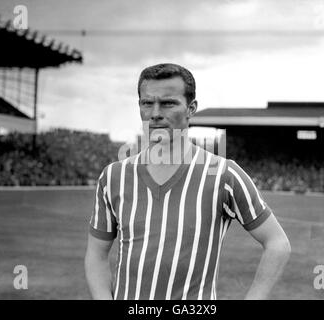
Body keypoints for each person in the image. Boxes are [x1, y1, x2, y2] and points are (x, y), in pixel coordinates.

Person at [84, 63, 291, 300]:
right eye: (147, 103)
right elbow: (96, 255)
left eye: (168, 103)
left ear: (191, 108)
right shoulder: (113, 177)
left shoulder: (224, 175)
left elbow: (277, 243)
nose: (155, 113)